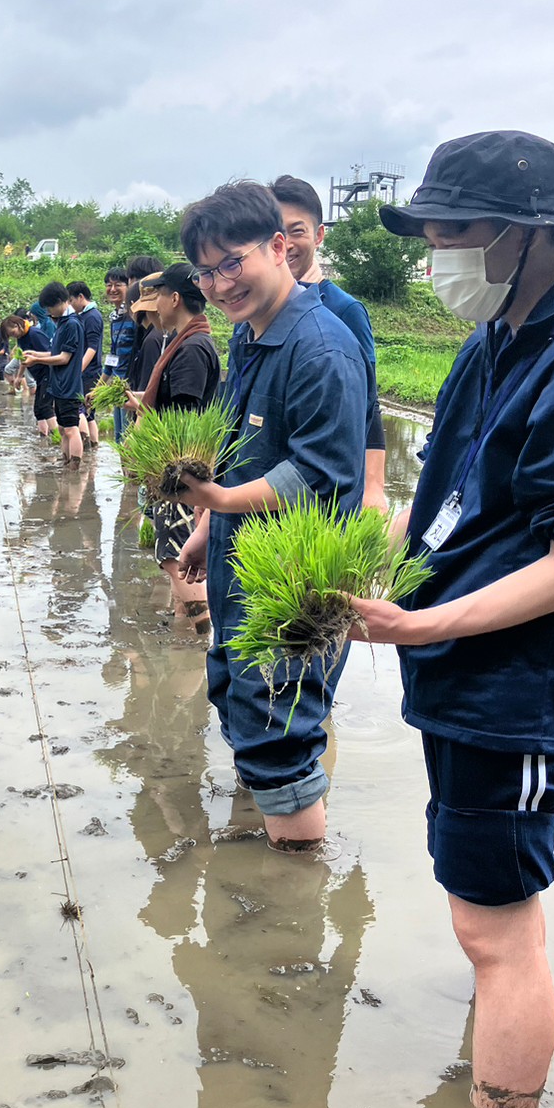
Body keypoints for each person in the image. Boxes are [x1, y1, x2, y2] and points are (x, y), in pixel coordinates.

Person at [350, 130, 554, 1108]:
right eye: (426, 235)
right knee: (484, 914)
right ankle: (495, 1083)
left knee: (496, 931)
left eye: (450, 231)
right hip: (461, 667)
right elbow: (449, 497)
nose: (434, 257)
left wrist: (423, 627)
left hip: (519, 683)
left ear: (520, 233)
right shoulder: (493, 336)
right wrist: (383, 570)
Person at [174, 181, 370, 851]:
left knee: (280, 726)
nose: (220, 283)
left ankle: (289, 902)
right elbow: (238, 445)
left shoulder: (321, 346)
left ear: (279, 246)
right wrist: (207, 526)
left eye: (233, 262)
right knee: (239, 696)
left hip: (289, 580)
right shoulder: (250, 336)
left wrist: (221, 501)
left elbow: (319, 472)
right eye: (205, 271)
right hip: (240, 563)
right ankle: (270, 843)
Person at [270, 174, 387, 512]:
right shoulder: (253, 310)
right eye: (277, 232)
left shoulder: (344, 310)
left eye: (298, 231)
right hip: (263, 484)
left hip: (320, 487)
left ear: (319, 235)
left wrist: (374, 487)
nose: (287, 243)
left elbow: (369, 402)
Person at [125, 262, 220, 632]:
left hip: (180, 475)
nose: (155, 304)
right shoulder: (184, 342)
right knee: (173, 554)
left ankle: (198, 637)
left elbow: (184, 418)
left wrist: (144, 414)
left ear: (175, 298)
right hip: (173, 473)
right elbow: (171, 407)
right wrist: (138, 401)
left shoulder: (192, 348)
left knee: (176, 558)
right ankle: (185, 627)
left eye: (159, 295)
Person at [23, 282, 84, 462]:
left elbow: (65, 358)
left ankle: (75, 472)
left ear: (59, 301)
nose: (49, 312)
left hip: (69, 386)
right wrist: (35, 353)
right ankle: (66, 464)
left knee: (72, 429)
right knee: (64, 429)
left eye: (50, 307)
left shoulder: (72, 324)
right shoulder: (62, 323)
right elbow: (55, 353)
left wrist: (37, 360)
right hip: (59, 385)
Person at [7, 311, 57, 436]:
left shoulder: (34, 334)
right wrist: (19, 376)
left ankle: (58, 437)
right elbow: (23, 358)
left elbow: (52, 353)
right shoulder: (21, 338)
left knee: (45, 407)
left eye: (13, 333)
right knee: (38, 410)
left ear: (18, 325)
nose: (14, 337)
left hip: (48, 373)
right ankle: (43, 437)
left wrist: (35, 357)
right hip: (39, 376)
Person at [68, 280, 103, 446]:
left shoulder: (92, 316)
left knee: (82, 410)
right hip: (86, 371)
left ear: (81, 297)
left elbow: (92, 347)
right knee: (88, 413)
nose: (70, 305)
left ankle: (88, 446)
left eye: (71, 300)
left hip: (89, 372)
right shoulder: (83, 316)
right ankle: (92, 451)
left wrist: (77, 370)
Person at [102, 267, 135, 441]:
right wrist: (99, 387)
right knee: (119, 438)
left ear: (129, 286)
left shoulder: (134, 316)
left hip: (130, 388)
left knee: (129, 440)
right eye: (109, 285)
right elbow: (112, 357)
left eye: (118, 285)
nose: (112, 289)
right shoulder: (114, 318)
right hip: (117, 387)